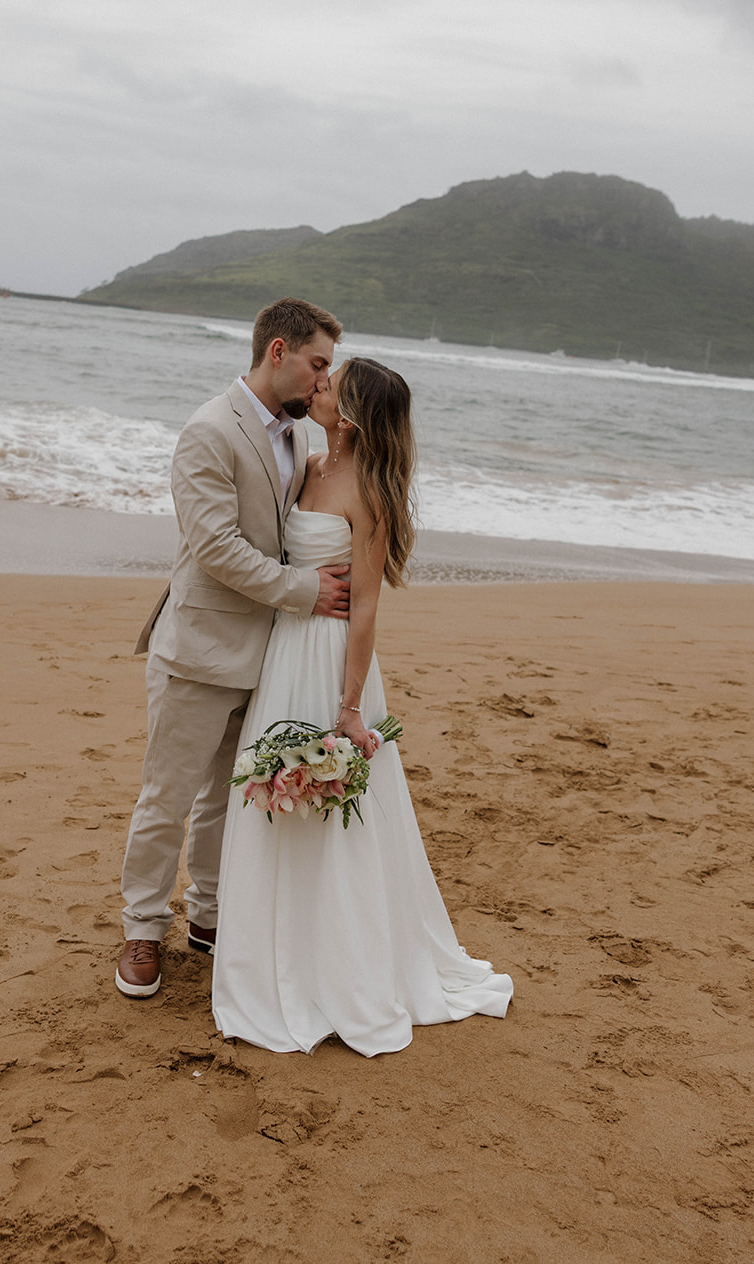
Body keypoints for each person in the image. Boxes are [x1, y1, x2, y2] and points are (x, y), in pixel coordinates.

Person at [212, 357, 513, 1055]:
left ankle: (334, 970)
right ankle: (266, 954)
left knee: (330, 815)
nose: (315, 388)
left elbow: (368, 606)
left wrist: (349, 708)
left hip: (331, 659)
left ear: (349, 415)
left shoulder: (367, 490)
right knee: (271, 799)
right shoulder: (308, 465)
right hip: (284, 650)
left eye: (328, 386)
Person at [116, 297, 349, 998]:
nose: (322, 381)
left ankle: (210, 917)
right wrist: (302, 592)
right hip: (199, 647)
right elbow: (216, 547)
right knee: (168, 797)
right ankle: (142, 929)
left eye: (328, 369)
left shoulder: (299, 440)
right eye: (317, 364)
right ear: (277, 352)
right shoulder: (208, 431)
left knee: (228, 797)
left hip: (268, 655)